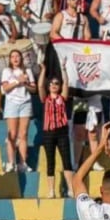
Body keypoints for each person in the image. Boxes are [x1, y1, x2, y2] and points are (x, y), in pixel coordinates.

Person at [38, 62, 74, 199]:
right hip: (48, 133)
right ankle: (51, 191)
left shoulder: (62, 98)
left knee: (66, 160)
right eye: (52, 83)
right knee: (50, 161)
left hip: (62, 132)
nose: (54, 85)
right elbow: (40, 86)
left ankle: (70, 188)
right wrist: (44, 70)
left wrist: (64, 69)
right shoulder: (45, 98)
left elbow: (66, 83)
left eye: (56, 83)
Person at [1, 49, 36, 173]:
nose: (15, 59)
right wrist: (17, 81)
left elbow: (33, 89)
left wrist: (25, 83)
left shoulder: (28, 71)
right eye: (12, 56)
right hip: (12, 103)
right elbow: (5, 88)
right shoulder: (7, 71)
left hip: (25, 103)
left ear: (21, 58)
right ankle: (11, 162)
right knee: (12, 133)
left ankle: (22, 163)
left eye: (17, 56)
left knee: (23, 134)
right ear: (10, 59)